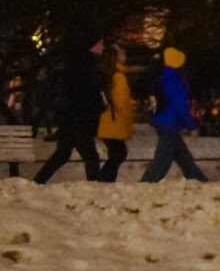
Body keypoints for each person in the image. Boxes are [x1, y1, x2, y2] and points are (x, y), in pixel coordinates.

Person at [33, 38, 106, 184]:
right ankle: (95, 184)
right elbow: (87, 94)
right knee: (90, 156)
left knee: (63, 154)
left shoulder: (76, 64)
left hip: (71, 118)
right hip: (79, 118)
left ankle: (38, 181)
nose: (103, 47)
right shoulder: (86, 67)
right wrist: (97, 106)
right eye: (100, 44)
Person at [139, 46, 207, 183]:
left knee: (182, 156)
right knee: (163, 159)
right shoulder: (175, 80)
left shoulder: (163, 77)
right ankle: (148, 182)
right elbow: (180, 106)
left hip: (163, 120)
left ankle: (198, 179)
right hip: (170, 123)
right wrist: (192, 125)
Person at [93, 45, 135, 183]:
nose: (125, 56)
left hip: (106, 119)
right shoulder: (119, 76)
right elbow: (121, 102)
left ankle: (106, 181)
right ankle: (104, 180)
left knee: (115, 153)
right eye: (122, 53)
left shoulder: (106, 74)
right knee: (119, 153)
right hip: (115, 120)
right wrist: (132, 105)